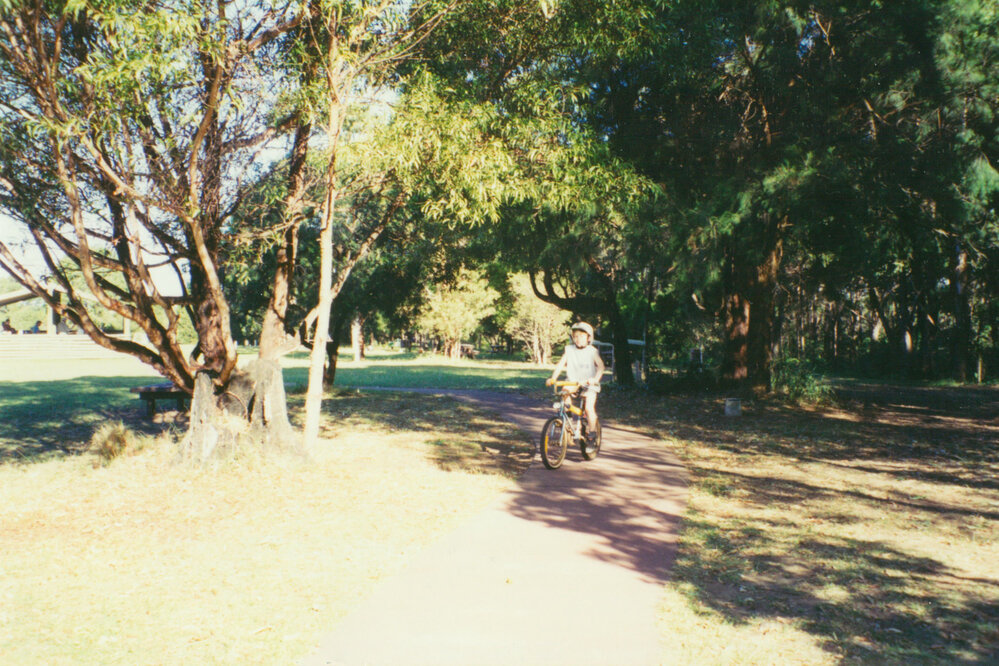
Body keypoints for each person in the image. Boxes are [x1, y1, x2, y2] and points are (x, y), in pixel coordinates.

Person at [547, 321, 605, 447]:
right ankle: (567, 424)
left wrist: (595, 379)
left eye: (582, 336)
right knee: (564, 395)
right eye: (576, 336)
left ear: (589, 338)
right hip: (573, 382)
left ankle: (592, 434)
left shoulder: (592, 351)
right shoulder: (569, 350)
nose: (578, 339)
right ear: (572, 338)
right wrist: (553, 378)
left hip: (588, 384)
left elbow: (600, 366)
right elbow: (561, 364)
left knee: (589, 408)